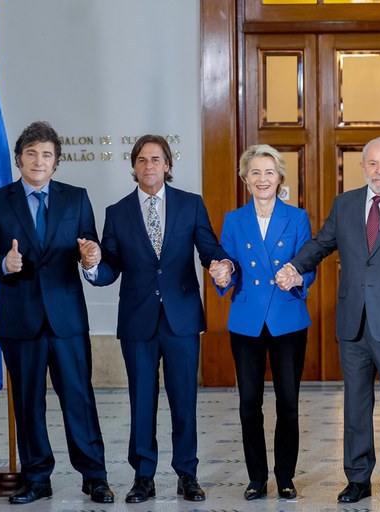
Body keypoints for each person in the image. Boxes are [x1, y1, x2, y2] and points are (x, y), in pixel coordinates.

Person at [277, 137, 380, 505]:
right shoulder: (345, 204)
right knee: (355, 405)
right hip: (353, 323)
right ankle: (357, 479)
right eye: (373, 164)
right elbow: (321, 243)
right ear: (363, 167)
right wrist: (295, 266)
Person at [81, 135, 234, 504]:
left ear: (167, 165)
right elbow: (111, 268)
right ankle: (143, 477)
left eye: (156, 159)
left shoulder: (190, 205)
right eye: (142, 160)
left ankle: (187, 474)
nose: (149, 165)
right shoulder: (117, 213)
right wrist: (91, 266)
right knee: (141, 401)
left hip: (181, 319)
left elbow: (210, 251)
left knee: (184, 402)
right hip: (137, 322)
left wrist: (223, 266)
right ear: (134, 167)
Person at [0, 121, 114, 505]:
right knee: (28, 402)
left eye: (47, 155)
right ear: (19, 159)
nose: (39, 161)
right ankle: (37, 478)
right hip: (20, 320)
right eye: (32, 153)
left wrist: (91, 258)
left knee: (79, 398)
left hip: (66, 318)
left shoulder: (76, 198)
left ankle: (94, 476)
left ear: (56, 163)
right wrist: (4, 263)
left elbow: (91, 248)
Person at [214, 144, 316, 501]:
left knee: (288, 403)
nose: (262, 179)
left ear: (280, 178)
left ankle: (285, 477)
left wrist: (299, 277)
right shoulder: (234, 220)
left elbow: (309, 263)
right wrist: (222, 273)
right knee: (249, 403)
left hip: (287, 319)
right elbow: (226, 264)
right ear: (245, 179)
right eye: (255, 173)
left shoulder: (298, 217)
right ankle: (256, 477)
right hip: (247, 321)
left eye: (269, 172)